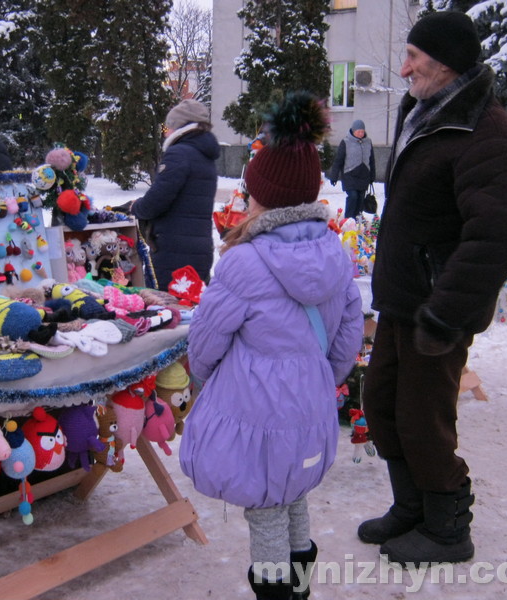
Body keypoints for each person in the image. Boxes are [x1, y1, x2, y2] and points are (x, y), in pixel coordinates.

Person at [359, 11, 507, 566]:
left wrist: (446, 312)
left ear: (446, 63)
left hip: (437, 310)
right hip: (402, 299)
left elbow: (496, 236)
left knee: (424, 418)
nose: (402, 68)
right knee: (382, 404)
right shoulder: (427, 112)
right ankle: (410, 508)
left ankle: (448, 527)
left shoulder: (489, 132)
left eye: (413, 57)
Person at [180, 91, 363, 600]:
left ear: (265, 197)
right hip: (309, 404)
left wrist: (203, 378)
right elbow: (349, 330)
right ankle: (301, 587)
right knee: (295, 495)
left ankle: (278, 593)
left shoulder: (244, 261)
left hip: (256, 412)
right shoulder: (334, 250)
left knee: (265, 509)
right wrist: (324, 375)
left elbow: (206, 341)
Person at [128, 99, 219, 289]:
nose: (166, 132)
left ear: (179, 126)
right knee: (193, 306)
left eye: (168, 127)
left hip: (175, 251)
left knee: (169, 309)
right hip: (199, 247)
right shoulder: (205, 156)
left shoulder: (179, 154)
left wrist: (135, 207)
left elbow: (156, 201)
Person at [328, 119, 376, 219]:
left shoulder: (368, 142)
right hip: (349, 175)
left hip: (364, 176)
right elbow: (338, 160)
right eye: (358, 131)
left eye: (362, 131)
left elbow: (372, 160)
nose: (360, 133)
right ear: (353, 131)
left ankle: (357, 221)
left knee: (360, 199)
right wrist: (334, 176)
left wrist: (372, 176)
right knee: (353, 196)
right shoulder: (345, 142)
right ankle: (348, 220)